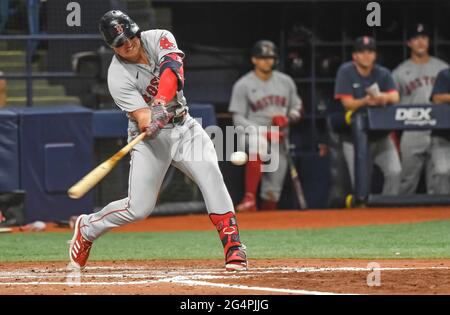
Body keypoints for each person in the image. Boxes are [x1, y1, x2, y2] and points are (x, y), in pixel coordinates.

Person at [69, 10, 247, 271]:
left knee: (211, 176)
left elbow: (172, 70)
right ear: (111, 47)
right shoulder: (117, 77)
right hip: (151, 139)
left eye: (130, 37)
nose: (127, 44)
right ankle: (88, 227)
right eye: (119, 43)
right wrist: (149, 121)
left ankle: (234, 247)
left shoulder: (160, 37)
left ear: (136, 31)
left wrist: (161, 103)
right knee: (138, 208)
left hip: (185, 126)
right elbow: (142, 116)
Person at [229, 40, 303, 212]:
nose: (266, 61)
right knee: (258, 143)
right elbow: (238, 119)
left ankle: (266, 224)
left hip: (280, 140)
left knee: (272, 193)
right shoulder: (243, 84)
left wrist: (288, 118)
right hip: (251, 135)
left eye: (270, 57)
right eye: (262, 58)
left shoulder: (286, 82)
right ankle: (249, 197)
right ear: (254, 60)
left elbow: (298, 108)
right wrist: (264, 132)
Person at [334, 36, 401, 195]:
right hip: (355, 138)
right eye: (361, 52)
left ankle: (389, 212)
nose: (366, 56)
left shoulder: (383, 73)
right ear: (354, 56)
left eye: (370, 52)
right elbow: (347, 103)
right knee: (360, 184)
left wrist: (383, 97)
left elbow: (395, 97)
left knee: (395, 172)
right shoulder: (346, 71)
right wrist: (365, 101)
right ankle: (362, 216)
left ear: (375, 55)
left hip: (380, 136)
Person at [392, 23, 450, 195]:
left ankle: (439, 220)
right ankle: (397, 219)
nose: (420, 42)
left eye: (424, 38)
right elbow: (392, 105)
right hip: (412, 128)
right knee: (406, 180)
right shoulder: (400, 72)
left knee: (440, 179)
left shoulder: (442, 68)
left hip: (439, 130)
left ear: (429, 41)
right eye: (416, 39)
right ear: (409, 43)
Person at [428, 67, 450, 194]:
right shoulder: (445, 74)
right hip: (443, 135)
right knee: (442, 172)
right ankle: (442, 208)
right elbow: (437, 98)